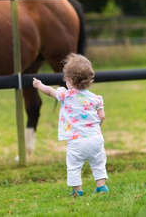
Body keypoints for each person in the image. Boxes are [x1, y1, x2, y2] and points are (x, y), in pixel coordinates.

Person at [32, 53, 109, 196]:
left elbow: (49, 91)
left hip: (76, 141)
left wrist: (39, 85)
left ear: (69, 80)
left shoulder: (65, 95)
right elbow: (102, 116)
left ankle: (77, 191)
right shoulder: (96, 99)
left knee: (74, 166)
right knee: (98, 163)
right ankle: (101, 186)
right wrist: (96, 127)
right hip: (96, 139)